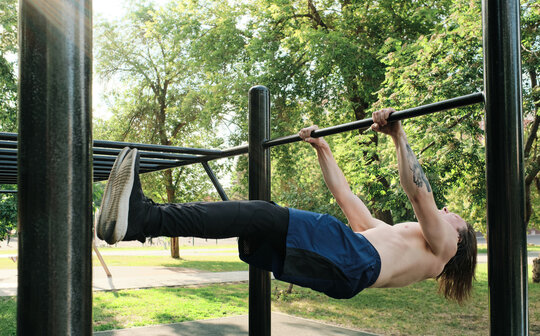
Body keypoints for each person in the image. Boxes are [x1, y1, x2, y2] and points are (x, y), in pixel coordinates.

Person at [96, 108, 477, 302]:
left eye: (453, 217)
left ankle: (144, 218)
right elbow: (346, 197)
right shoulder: (398, 240)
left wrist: (399, 135)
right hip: (348, 266)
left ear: (460, 240)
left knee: (261, 213)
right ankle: (141, 220)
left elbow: (419, 194)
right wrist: (323, 150)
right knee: (254, 222)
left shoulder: (443, 249)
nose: (446, 212)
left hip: (354, 259)